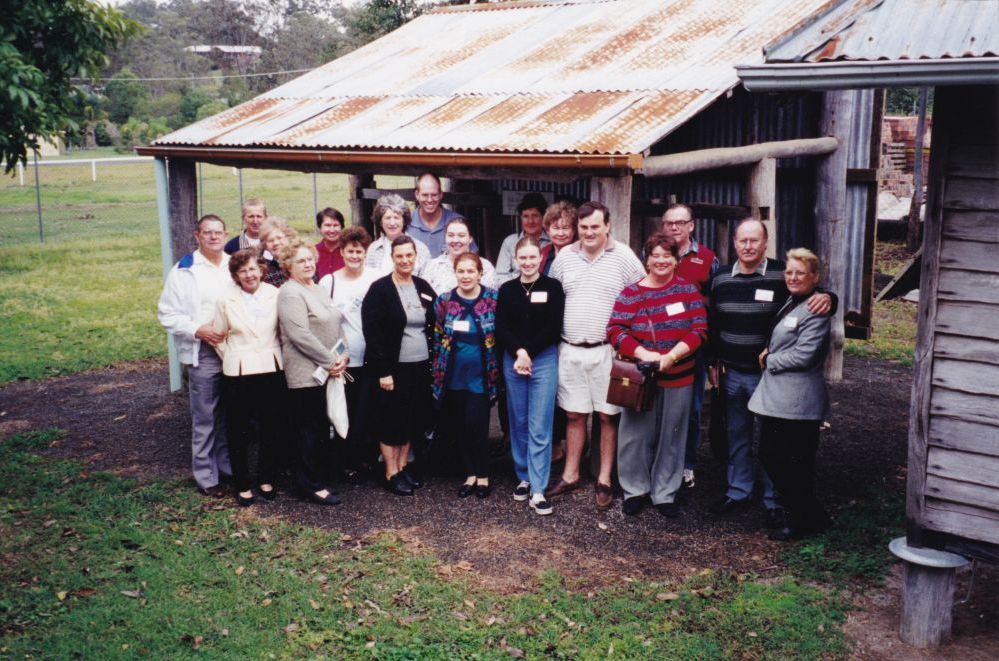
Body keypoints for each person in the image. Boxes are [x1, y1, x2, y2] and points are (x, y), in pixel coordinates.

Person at [707, 219, 833, 525]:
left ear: (765, 243)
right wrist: (713, 361)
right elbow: (713, 322)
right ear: (734, 243)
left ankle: (774, 499)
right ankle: (738, 490)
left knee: (772, 441)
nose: (748, 246)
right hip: (732, 373)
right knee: (737, 434)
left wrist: (831, 297)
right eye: (742, 240)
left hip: (769, 377)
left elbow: (808, 294)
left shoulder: (781, 273)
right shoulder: (720, 277)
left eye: (754, 240)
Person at [547, 201, 646, 510]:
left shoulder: (624, 256)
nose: (589, 232)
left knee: (607, 416)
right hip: (571, 348)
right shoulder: (564, 257)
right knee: (574, 414)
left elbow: (641, 295)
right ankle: (571, 474)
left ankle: (604, 479)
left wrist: (630, 343)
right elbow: (554, 297)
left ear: (607, 226)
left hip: (608, 351)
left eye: (595, 226)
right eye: (583, 227)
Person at [607, 234, 708, 518]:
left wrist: (672, 356)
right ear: (646, 259)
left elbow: (699, 329)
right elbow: (615, 330)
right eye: (656, 255)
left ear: (676, 260)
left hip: (679, 376)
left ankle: (665, 492)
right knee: (634, 436)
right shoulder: (631, 293)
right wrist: (643, 354)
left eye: (667, 255)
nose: (661, 261)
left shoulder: (688, 291)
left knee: (672, 436)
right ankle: (634, 489)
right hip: (641, 379)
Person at [749, 248, 832, 541]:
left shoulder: (817, 309)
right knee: (773, 455)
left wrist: (770, 359)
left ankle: (802, 520)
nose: (793, 277)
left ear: (815, 277)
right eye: (789, 272)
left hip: (798, 400)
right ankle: (811, 515)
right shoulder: (792, 300)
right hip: (779, 399)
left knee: (794, 462)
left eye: (800, 273)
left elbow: (805, 355)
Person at [157, 214, 233, 497]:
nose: (213, 237)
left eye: (218, 232)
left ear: (225, 235)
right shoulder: (184, 270)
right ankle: (206, 475)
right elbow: (167, 314)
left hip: (234, 349)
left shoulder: (232, 265)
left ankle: (226, 467)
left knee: (228, 413)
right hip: (204, 350)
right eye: (207, 232)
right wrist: (197, 330)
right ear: (197, 236)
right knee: (205, 415)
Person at [362, 235, 436, 496]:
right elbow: (372, 333)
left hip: (420, 366)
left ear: (416, 257)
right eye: (399, 256)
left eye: (409, 255)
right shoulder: (380, 289)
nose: (405, 260)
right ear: (392, 258)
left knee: (411, 419)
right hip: (394, 369)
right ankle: (391, 472)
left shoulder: (423, 286)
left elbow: (435, 320)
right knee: (391, 421)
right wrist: (384, 371)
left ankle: (403, 467)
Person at [276, 237, 349, 506]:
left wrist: (343, 354)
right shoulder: (290, 293)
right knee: (307, 430)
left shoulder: (317, 288)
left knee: (321, 428)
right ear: (288, 265)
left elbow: (336, 322)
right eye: (301, 261)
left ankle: (320, 477)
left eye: (310, 259)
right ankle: (308, 485)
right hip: (305, 372)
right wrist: (330, 361)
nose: (308, 264)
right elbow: (299, 335)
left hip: (328, 369)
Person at [496, 237, 564, 515]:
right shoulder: (507, 289)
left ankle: (538, 487)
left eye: (532, 257)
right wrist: (519, 352)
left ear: (540, 258)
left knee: (540, 423)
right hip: (513, 359)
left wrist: (529, 353)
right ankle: (523, 475)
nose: (527, 262)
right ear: (515, 259)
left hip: (543, 359)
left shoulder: (552, 287)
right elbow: (501, 327)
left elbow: (553, 327)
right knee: (519, 420)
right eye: (522, 258)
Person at [212, 249, 285, 506]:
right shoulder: (225, 299)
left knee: (271, 426)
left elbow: (282, 331)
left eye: (253, 269)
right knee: (238, 429)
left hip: (271, 367)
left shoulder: (275, 294)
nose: (249, 275)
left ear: (261, 269)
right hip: (238, 371)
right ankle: (242, 483)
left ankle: (266, 478)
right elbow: (217, 336)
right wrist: (233, 355)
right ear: (235, 275)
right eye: (242, 271)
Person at [659, 204, 719, 490]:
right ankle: (659, 462)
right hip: (658, 347)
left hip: (693, 348)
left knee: (691, 409)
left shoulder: (707, 258)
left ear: (691, 225)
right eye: (669, 223)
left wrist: (713, 356)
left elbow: (716, 307)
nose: (674, 227)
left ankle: (687, 464)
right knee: (657, 408)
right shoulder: (655, 254)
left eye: (680, 222)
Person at [432, 253, 501, 499]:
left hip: (482, 375)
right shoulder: (445, 301)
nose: (466, 276)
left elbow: (501, 334)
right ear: (455, 273)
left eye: (471, 271)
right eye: (461, 271)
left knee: (477, 423)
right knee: (460, 424)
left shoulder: (493, 299)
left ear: (480, 273)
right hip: (453, 375)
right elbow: (438, 336)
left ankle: (483, 475)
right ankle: (470, 474)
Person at [319, 226, 377, 477]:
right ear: (341, 252)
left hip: (371, 356)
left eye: (359, 251)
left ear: (366, 253)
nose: (355, 256)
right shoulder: (328, 282)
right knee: (346, 410)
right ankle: (346, 462)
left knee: (368, 410)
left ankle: (366, 459)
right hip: (343, 358)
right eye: (350, 251)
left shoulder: (376, 278)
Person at [422, 216, 497, 294]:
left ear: (470, 238)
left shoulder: (485, 266)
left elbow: (491, 297)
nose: (455, 240)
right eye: (451, 235)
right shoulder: (433, 267)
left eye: (461, 235)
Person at [365, 193, 432, 276]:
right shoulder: (374, 249)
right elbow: (369, 279)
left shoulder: (420, 248)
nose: (392, 223)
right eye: (388, 218)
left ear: (404, 220)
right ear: (380, 222)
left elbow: (427, 280)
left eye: (396, 218)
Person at [495, 193, 550, 285]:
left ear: (543, 217)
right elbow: (501, 275)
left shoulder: (551, 242)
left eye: (535, 216)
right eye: (525, 216)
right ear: (521, 218)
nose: (530, 221)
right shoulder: (510, 242)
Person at [407, 173, 466, 257]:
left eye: (434, 195)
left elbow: (472, 259)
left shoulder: (458, 222)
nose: (429, 200)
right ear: (417, 195)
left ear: (441, 195)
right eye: (425, 195)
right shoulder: (406, 222)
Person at [539, 201, 577, 276]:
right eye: (556, 228)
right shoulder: (543, 253)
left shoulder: (580, 255)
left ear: (574, 230)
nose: (560, 233)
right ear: (547, 230)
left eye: (565, 228)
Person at [259, 217, 296, 287]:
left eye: (279, 238)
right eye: (270, 240)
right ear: (265, 245)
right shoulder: (263, 267)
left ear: (288, 238)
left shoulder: (298, 259)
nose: (275, 243)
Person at [315, 207, 346, 279]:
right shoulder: (313, 252)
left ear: (341, 227)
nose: (332, 230)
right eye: (327, 225)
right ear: (320, 227)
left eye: (336, 225)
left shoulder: (349, 251)